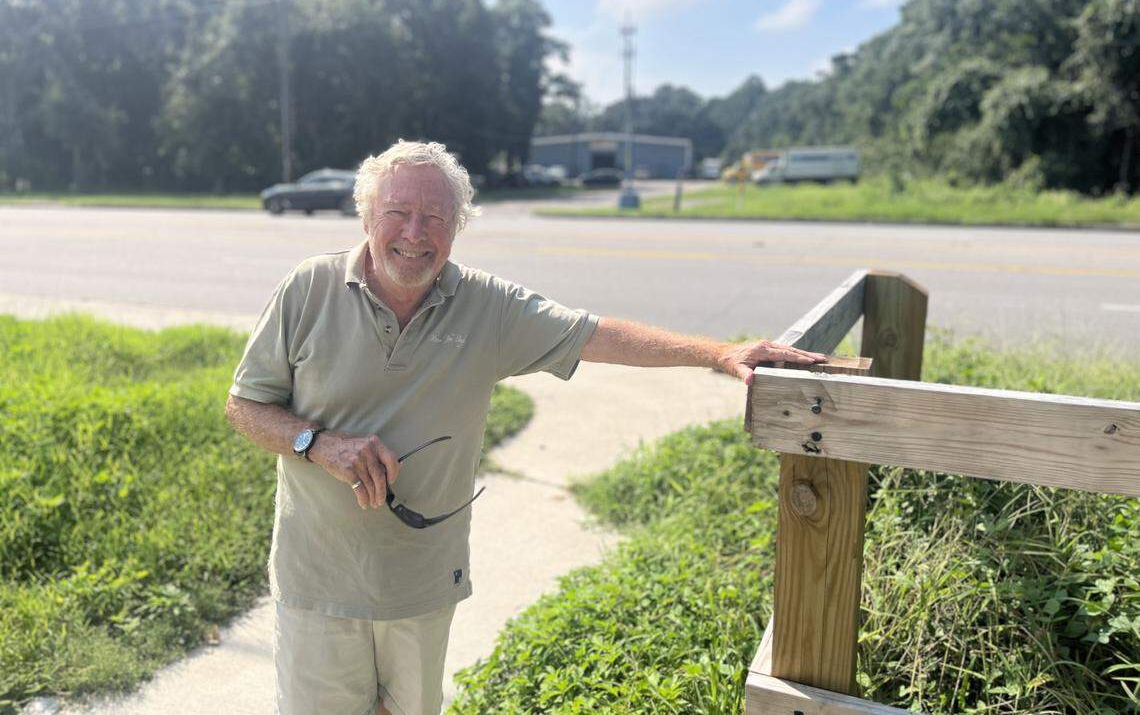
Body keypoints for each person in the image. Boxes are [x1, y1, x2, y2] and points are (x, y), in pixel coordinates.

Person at [225, 140, 825, 715]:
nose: (414, 233)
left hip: (423, 582)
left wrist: (717, 354)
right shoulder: (309, 289)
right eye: (398, 213)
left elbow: (596, 334)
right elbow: (245, 405)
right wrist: (318, 444)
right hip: (316, 580)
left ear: (457, 225)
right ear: (365, 218)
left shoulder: (489, 306)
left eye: (435, 216)